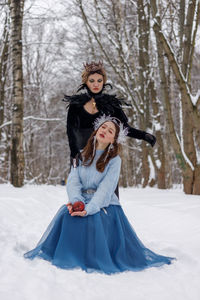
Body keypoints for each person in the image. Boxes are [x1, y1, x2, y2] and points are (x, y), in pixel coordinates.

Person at [24, 116, 175, 275]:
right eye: (103, 127)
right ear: (96, 130)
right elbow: (73, 181)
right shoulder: (82, 154)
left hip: (105, 204)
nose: (105, 131)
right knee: (67, 215)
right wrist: (77, 202)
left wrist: (90, 208)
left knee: (92, 219)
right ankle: (70, 253)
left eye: (110, 131)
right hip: (82, 199)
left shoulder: (115, 160)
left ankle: (93, 257)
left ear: (114, 140)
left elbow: (107, 188)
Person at [63, 61, 156, 162]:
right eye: (92, 81)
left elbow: (123, 128)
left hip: (102, 154)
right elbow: (70, 130)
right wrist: (74, 151)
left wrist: (143, 135)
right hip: (81, 153)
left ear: (103, 82)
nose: (96, 84)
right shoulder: (76, 104)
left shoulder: (111, 104)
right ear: (86, 82)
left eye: (99, 80)